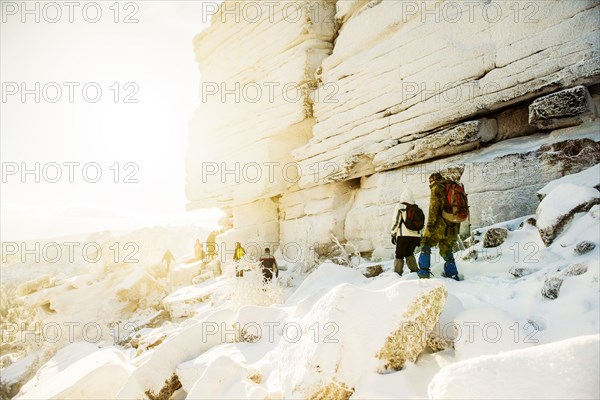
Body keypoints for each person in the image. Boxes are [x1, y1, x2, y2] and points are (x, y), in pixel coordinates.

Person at [418, 172, 461, 280]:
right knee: (446, 249)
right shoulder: (452, 187)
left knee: (425, 244)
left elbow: (433, 209)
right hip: (453, 226)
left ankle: (423, 273)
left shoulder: (436, 188)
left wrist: (430, 226)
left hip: (440, 226)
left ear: (433, 180)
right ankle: (453, 274)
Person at [390, 189, 422, 276]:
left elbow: (396, 221)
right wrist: (420, 236)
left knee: (399, 255)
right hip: (415, 236)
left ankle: (396, 274)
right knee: (409, 253)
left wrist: (393, 233)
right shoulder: (417, 208)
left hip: (403, 236)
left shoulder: (400, 207)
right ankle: (415, 271)